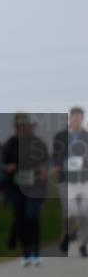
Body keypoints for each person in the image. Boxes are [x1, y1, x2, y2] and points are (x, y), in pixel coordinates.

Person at [2, 112, 50, 267]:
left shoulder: (37, 143)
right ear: (15, 127)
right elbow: (2, 163)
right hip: (16, 187)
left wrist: (44, 171)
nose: (21, 129)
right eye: (18, 126)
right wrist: (7, 167)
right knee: (20, 219)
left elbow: (45, 162)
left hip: (35, 186)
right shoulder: (10, 144)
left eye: (24, 126)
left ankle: (36, 250)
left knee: (32, 216)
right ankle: (26, 252)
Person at [53, 106, 88, 257]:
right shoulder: (60, 136)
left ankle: (82, 245)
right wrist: (58, 166)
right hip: (65, 179)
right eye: (74, 117)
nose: (77, 120)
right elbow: (57, 156)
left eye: (80, 117)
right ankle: (66, 235)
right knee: (69, 211)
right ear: (70, 118)